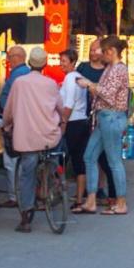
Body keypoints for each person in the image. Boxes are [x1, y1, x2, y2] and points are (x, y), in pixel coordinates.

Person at [2, 47, 65, 233]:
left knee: (27, 174)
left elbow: (9, 111)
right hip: (49, 137)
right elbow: (61, 109)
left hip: (27, 138)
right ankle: (51, 185)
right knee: (51, 158)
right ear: (45, 64)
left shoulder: (19, 83)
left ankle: (26, 217)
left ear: (29, 62)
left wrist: (6, 125)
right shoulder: (51, 84)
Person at [76, 36, 130, 215]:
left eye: (103, 51)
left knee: (114, 161)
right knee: (89, 156)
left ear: (111, 52)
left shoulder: (118, 70)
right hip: (104, 117)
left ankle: (121, 203)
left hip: (112, 117)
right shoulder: (110, 68)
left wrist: (89, 84)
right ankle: (90, 200)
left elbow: (108, 94)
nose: (99, 55)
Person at [57, 49, 93, 211]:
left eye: (64, 61)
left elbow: (68, 105)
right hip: (82, 122)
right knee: (79, 162)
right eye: (61, 61)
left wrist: (62, 125)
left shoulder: (70, 79)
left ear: (72, 62)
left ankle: (56, 193)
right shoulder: (80, 77)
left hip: (72, 123)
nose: (61, 64)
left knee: (60, 160)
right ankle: (79, 200)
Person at [0, 45, 30, 209]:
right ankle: (25, 194)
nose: (8, 61)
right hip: (27, 122)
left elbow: (10, 102)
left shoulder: (17, 75)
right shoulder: (28, 73)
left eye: (10, 57)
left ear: (17, 57)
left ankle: (14, 196)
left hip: (14, 122)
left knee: (11, 160)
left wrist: (6, 123)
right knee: (26, 160)